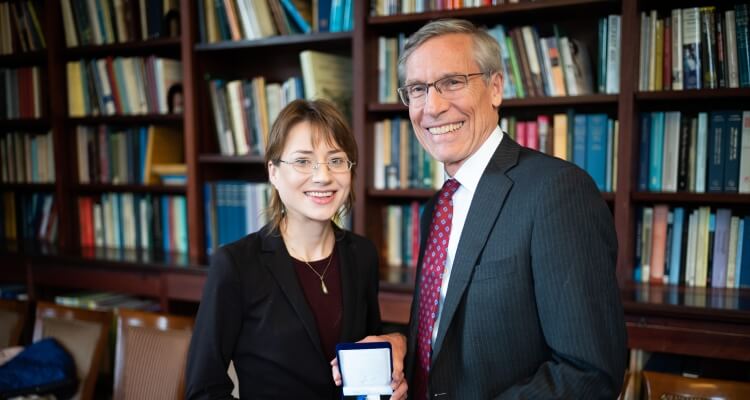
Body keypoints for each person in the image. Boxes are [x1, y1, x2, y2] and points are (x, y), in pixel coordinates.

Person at [396, 19, 627, 398]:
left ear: (496, 88)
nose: (432, 107)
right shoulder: (438, 206)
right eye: (418, 89)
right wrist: (400, 346)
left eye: (452, 82)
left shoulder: (556, 191)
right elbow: (445, 339)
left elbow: (588, 372)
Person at [185, 99, 407, 399]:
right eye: (303, 161)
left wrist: (390, 384)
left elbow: (367, 366)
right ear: (274, 172)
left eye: (336, 160)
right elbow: (204, 389)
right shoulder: (236, 265)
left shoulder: (362, 255)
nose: (323, 176)